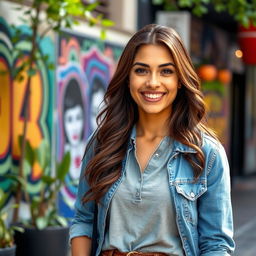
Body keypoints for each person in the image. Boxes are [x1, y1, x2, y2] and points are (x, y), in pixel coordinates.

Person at [70, 24, 235, 256]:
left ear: (180, 79)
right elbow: (83, 220)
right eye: (141, 70)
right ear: (127, 77)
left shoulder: (206, 153)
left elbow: (216, 244)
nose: (153, 82)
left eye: (166, 71)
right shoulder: (103, 142)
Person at [61, 78, 86, 215]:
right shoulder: (60, 159)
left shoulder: (90, 150)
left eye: (78, 117)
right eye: (69, 120)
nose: (75, 127)